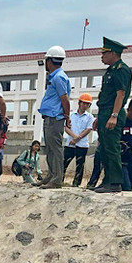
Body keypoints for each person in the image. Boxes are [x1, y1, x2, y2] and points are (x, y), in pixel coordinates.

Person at [93, 37, 132, 193]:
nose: (102, 56)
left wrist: (114, 115)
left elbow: (120, 94)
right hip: (105, 111)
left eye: (105, 53)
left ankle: (115, 182)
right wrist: (99, 117)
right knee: (104, 147)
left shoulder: (121, 70)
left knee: (112, 148)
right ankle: (108, 180)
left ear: (113, 53)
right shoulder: (110, 70)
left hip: (112, 112)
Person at [34, 46, 71, 189]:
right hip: (50, 116)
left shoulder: (59, 77)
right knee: (49, 147)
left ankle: (56, 179)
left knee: (55, 148)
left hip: (56, 117)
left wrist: (67, 117)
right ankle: (51, 174)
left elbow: (65, 99)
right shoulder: (55, 77)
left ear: (49, 60)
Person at [63, 94, 95, 187]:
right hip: (70, 143)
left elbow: (88, 129)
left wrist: (78, 138)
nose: (85, 106)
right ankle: (60, 180)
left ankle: (76, 183)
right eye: (83, 103)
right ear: (79, 103)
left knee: (80, 165)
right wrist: (74, 137)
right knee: (64, 163)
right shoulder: (71, 115)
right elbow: (66, 127)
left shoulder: (90, 117)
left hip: (82, 145)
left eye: (87, 104)